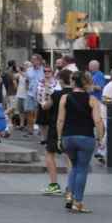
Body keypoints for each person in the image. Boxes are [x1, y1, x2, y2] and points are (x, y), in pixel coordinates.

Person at [57, 70, 105, 213]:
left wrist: (59, 138)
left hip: (68, 137)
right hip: (86, 137)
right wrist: (100, 138)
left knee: (74, 166)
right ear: (87, 83)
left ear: (73, 82)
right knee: (82, 168)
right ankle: (78, 201)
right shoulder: (92, 100)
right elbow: (98, 120)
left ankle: (69, 196)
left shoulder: (65, 97)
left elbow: (60, 120)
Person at [41, 68, 70, 196]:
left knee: (49, 153)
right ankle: (71, 186)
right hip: (71, 127)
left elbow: (45, 106)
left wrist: (47, 94)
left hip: (55, 126)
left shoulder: (56, 94)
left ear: (61, 80)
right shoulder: (76, 94)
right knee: (70, 156)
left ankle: (53, 185)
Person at [25, 54, 46, 136]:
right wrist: (27, 88)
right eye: (32, 60)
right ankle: (30, 129)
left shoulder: (44, 70)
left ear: (39, 61)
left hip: (40, 94)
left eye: (34, 60)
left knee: (39, 112)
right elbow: (27, 80)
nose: (32, 61)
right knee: (29, 111)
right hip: (30, 94)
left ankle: (39, 129)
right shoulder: (29, 70)